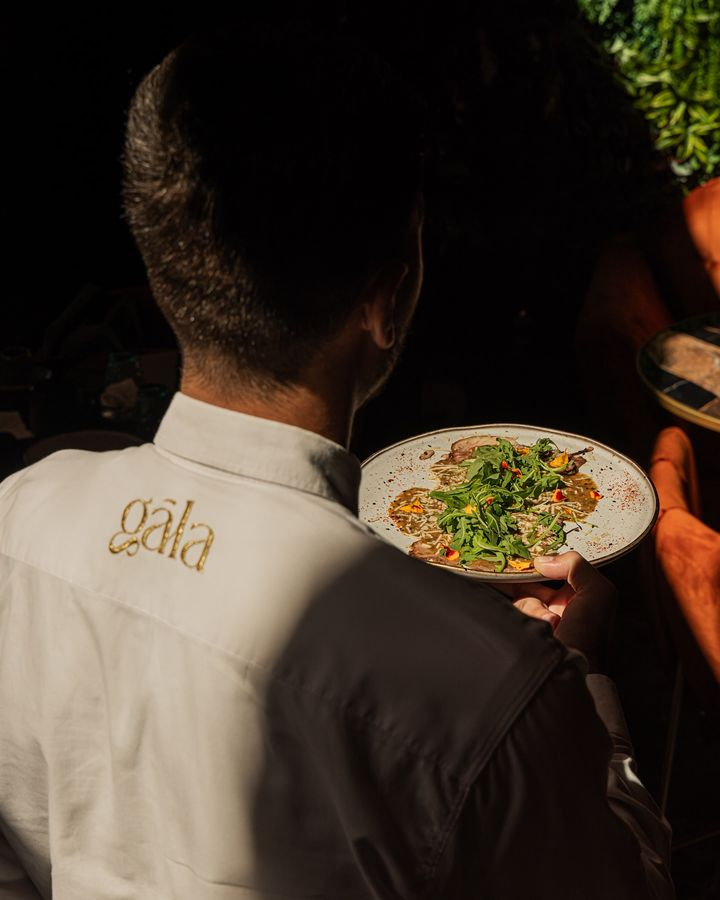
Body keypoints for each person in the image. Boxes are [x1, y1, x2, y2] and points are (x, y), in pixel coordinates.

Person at [0, 24, 674, 900]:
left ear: (161, 271)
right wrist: (581, 685)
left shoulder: (19, 521)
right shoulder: (491, 695)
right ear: (389, 300)